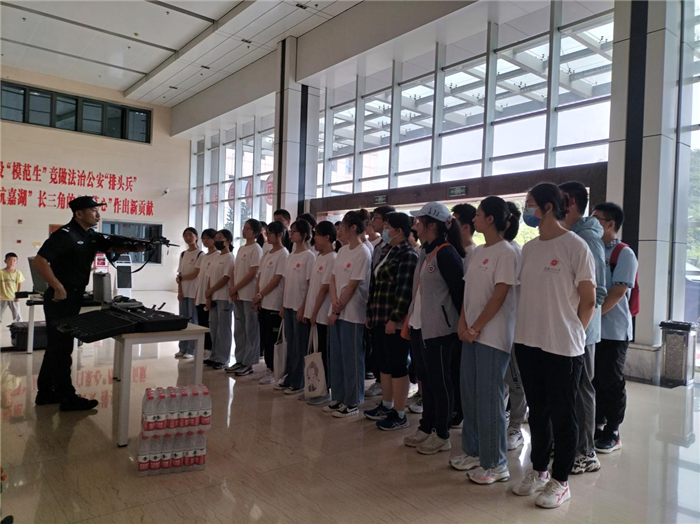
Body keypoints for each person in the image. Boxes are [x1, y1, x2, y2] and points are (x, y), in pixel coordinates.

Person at [511, 183, 596, 509]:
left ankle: (561, 481)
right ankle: (539, 471)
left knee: (563, 414)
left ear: (548, 207)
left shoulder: (575, 246)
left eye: (530, 203)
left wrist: (574, 332)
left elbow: (588, 300)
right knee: (538, 411)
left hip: (562, 346)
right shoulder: (529, 249)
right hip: (528, 341)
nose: (527, 210)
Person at [32, 196, 145, 411]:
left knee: (56, 346)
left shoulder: (90, 235)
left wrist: (136, 248)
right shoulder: (65, 235)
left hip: (74, 296)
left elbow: (111, 248)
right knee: (62, 348)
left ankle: (45, 392)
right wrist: (57, 286)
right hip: (60, 298)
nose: (98, 214)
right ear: (79, 214)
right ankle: (67, 398)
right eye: (93, 210)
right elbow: (40, 261)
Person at [452, 197, 520, 485]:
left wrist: (476, 327)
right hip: (470, 333)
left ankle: (496, 462)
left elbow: (499, 295)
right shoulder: (479, 251)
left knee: (490, 399)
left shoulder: (507, 252)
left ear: (490, 219)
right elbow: (469, 293)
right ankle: (473, 450)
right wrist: (463, 323)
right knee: (469, 394)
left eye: (478, 214)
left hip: (492, 336)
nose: (474, 219)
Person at [403, 202, 464, 455]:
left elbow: (459, 294)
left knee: (440, 382)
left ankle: (442, 434)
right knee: (425, 380)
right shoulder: (425, 251)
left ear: (432, 224)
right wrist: (410, 320)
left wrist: (461, 327)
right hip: (420, 327)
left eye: (419, 221)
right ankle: (426, 426)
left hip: (440, 331)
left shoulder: (446, 253)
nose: (415, 225)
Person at [560, 181, 607, 475]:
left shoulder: (587, 238)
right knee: (568, 390)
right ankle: (571, 444)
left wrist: (578, 328)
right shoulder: (568, 236)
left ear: (571, 201)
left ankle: (586, 452)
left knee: (580, 389)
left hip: (580, 331)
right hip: (565, 329)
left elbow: (597, 292)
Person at [591, 202, 638, 454]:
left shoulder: (624, 253)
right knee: (595, 379)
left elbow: (618, 292)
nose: (591, 223)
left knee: (612, 381)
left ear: (610, 224)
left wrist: (593, 316)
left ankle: (613, 431)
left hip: (614, 331)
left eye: (596, 219)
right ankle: (598, 424)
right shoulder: (592, 249)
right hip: (593, 329)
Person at [363, 212, 417, 430]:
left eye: (387, 227)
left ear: (399, 230)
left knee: (397, 365)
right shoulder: (387, 250)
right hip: (379, 316)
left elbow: (404, 291)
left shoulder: (408, 254)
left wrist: (395, 319)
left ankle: (400, 413)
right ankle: (386, 405)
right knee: (383, 364)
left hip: (393, 320)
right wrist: (370, 313)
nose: (384, 231)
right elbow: (375, 285)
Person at [326, 209, 373, 418]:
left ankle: (352, 401)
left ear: (353, 228)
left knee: (351, 358)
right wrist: (334, 302)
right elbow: (333, 278)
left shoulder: (363, 252)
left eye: (343, 227)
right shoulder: (343, 250)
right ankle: (338, 396)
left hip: (352, 312)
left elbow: (353, 285)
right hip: (337, 309)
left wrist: (337, 308)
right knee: (336, 356)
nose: (339, 230)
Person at [279, 219, 316, 395]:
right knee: (291, 343)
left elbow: (309, 284)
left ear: (304, 235)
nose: (291, 234)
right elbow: (286, 282)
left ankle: (298, 380)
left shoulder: (309, 256)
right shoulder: (291, 255)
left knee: (300, 345)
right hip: (288, 305)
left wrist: (303, 307)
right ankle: (289, 376)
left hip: (299, 306)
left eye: (294, 231)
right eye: (291, 231)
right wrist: (282, 304)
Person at [303, 221, 338, 405]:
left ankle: (325, 390)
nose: (314, 238)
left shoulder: (332, 258)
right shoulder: (319, 257)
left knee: (323, 352)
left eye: (317, 235)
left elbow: (324, 289)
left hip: (323, 314)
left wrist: (315, 312)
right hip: (314, 312)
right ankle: (314, 388)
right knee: (314, 351)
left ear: (327, 237)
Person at [450, 203, 478, 428]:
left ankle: (461, 411)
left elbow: (468, 293)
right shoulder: (452, 250)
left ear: (466, 227)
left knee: (460, 370)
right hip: (451, 320)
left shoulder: (474, 254)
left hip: (464, 322)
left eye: (454, 221)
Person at [503, 202, 527, 451]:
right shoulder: (490, 251)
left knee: (515, 381)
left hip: (513, 328)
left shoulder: (516, 253)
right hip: (493, 330)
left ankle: (516, 427)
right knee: (500, 381)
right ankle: (500, 420)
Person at [228, 219, 264, 377]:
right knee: (239, 329)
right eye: (244, 227)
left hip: (249, 295)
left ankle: (249, 363)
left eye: (248, 229)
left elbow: (252, 273)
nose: (244, 230)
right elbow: (235, 270)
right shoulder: (242, 248)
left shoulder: (256, 249)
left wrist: (236, 287)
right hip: (239, 294)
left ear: (255, 233)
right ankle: (240, 359)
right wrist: (234, 289)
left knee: (251, 330)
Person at [256, 221, 289, 384]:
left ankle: (275, 370)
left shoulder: (284, 254)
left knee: (273, 338)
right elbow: (260, 275)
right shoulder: (268, 253)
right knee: (265, 336)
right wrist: (257, 296)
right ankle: (268, 367)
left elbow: (277, 279)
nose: (267, 236)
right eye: (266, 233)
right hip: (263, 302)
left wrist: (260, 294)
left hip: (274, 303)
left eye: (269, 233)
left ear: (280, 235)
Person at [204, 230, 235, 370]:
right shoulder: (216, 256)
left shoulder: (230, 257)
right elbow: (209, 277)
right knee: (214, 328)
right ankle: (214, 356)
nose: (217, 241)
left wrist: (211, 290)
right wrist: (209, 295)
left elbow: (226, 278)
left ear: (228, 241)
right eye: (216, 238)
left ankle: (223, 359)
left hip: (223, 297)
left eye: (220, 238)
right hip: (214, 297)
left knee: (223, 329)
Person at [175, 228, 202, 359]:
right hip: (184, 292)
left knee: (193, 321)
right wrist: (180, 290)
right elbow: (179, 274)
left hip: (194, 292)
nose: (187, 237)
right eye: (185, 235)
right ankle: (182, 348)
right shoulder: (183, 254)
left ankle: (192, 349)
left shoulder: (200, 254)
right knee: (182, 320)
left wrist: (181, 278)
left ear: (196, 237)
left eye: (190, 235)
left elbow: (195, 274)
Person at [194, 228, 218, 358]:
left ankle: (211, 349)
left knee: (210, 325)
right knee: (202, 324)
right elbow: (200, 277)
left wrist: (209, 296)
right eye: (203, 238)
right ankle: (204, 348)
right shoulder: (203, 257)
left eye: (208, 238)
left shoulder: (218, 255)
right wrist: (197, 294)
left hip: (210, 296)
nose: (205, 241)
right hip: (200, 296)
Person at [0, 253, 24, 324]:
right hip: (2, 297)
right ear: (5, 261)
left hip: (13, 297)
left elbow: (19, 284)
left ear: (16, 262)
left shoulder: (18, 273)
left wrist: (18, 296)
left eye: (14, 260)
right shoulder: (1, 272)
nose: (12, 262)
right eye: (9, 260)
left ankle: (19, 328)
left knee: (17, 316)